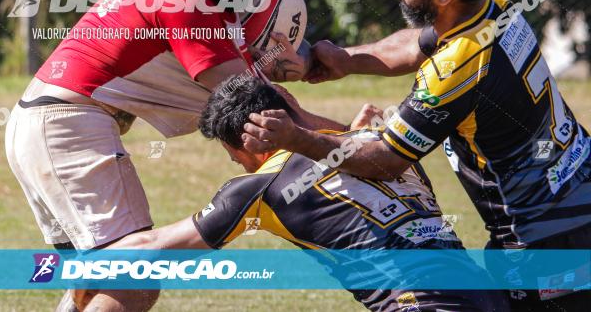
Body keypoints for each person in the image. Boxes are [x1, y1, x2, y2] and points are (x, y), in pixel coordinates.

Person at [6, 0, 330, 312]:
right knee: (133, 282)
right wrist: (359, 140)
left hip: (44, 125)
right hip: (67, 128)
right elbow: (257, 104)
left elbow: (250, 77)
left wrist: (306, 63)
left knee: (94, 283)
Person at [243, 0, 591, 310]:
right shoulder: (494, 10)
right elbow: (415, 46)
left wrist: (297, 138)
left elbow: (386, 158)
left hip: (547, 236)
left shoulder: (456, 69)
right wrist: (339, 59)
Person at [97, 76, 509, 312]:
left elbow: (156, 246)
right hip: (490, 297)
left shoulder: (261, 185)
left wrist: (78, 265)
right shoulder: (380, 147)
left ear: (248, 140)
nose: (236, 164)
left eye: (232, 153)